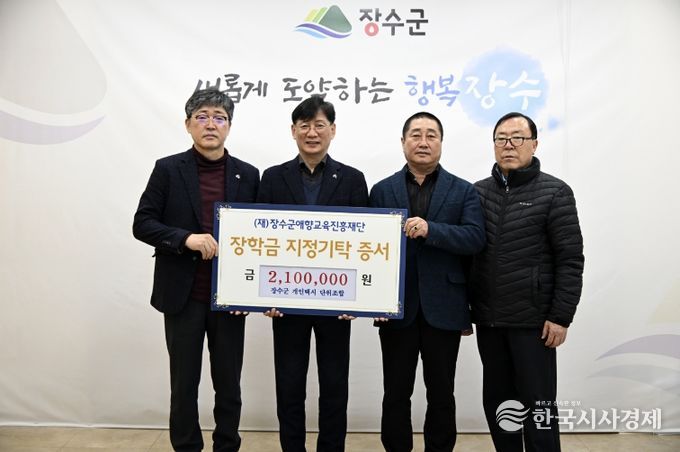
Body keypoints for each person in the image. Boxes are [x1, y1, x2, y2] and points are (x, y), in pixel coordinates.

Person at [133, 88, 259, 452]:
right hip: (182, 295)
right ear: (188, 124)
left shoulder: (248, 175)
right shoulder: (168, 169)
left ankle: (226, 445)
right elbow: (143, 223)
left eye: (219, 117)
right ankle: (187, 446)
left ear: (229, 126)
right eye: (202, 116)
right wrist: (185, 238)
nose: (210, 124)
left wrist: (252, 294)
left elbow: (261, 235)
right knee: (184, 383)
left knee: (229, 384)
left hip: (230, 297)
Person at [256, 95, 368, 452]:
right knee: (289, 385)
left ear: (332, 130)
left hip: (337, 302)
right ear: (293, 131)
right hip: (285, 302)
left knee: (335, 385)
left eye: (319, 125)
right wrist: (263, 295)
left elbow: (363, 243)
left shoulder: (352, 179)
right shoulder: (273, 178)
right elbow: (261, 240)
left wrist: (358, 298)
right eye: (304, 125)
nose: (312, 132)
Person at [369, 112, 486, 452]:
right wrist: (371, 300)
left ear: (441, 143)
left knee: (441, 392)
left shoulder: (463, 190)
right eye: (416, 134)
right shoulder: (382, 190)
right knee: (395, 391)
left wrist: (431, 230)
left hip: (445, 307)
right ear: (403, 142)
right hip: (396, 306)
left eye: (431, 135)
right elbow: (368, 247)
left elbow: (475, 238)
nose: (423, 142)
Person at [470, 112, 584, 452]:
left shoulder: (555, 192)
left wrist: (561, 316)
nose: (509, 145)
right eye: (501, 138)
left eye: (517, 137)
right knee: (499, 405)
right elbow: (468, 257)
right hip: (490, 321)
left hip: (534, 323)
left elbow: (570, 259)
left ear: (534, 144)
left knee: (538, 407)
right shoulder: (477, 193)